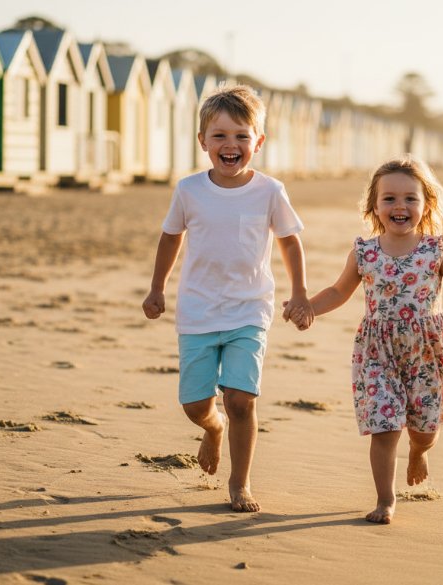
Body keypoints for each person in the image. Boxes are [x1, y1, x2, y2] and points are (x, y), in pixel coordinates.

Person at [286, 155, 443, 524]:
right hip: (378, 352)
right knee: (385, 427)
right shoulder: (365, 252)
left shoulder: (436, 249)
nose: (399, 206)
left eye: (409, 198)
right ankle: (386, 499)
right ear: (374, 205)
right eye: (389, 198)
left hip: (427, 350)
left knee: (424, 429)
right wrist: (308, 307)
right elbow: (339, 291)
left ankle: (419, 452)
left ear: (426, 204)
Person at [142, 85, 312, 513]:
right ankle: (212, 428)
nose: (230, 145)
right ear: (203, 142)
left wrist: (300, 294)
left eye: (241, 135)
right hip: (198, 309)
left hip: (249, 309)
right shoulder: (189, 190)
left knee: (241, 399)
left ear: (258, 141)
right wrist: (157, 287)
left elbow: (290, 243)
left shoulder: (270, 191)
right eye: (219, 136)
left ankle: (240, 483)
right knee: (196, 404)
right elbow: (170, 237)